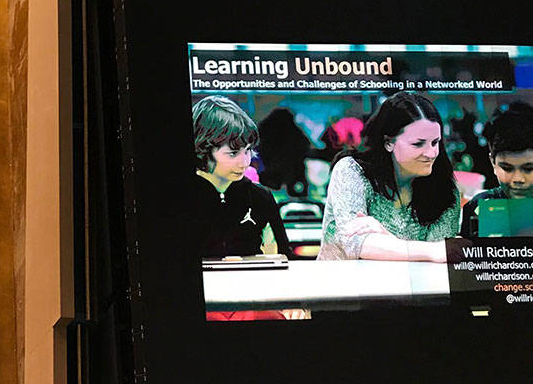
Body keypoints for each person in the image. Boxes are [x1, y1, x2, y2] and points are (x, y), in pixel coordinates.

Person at [317, 92, 460, 262]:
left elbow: (440, 257)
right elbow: (355, 244)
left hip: (416, 280)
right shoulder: (352, 170)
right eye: (418, 144)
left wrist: (385, 236)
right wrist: (431, 251)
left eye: (435, 142)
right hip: (342, 278)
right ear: (389, 143)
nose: (431, 153)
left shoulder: (445, 190)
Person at [190, 96, 292, 260]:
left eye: (248, 150)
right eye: (233, 153)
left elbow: (283, 257)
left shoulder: (261, 197)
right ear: (203, 149)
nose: (245, 162)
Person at [462, 101, 533, 238]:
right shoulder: (479, 205)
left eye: (529, 169)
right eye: (507, 169)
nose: (518, 179)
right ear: (493, 163)